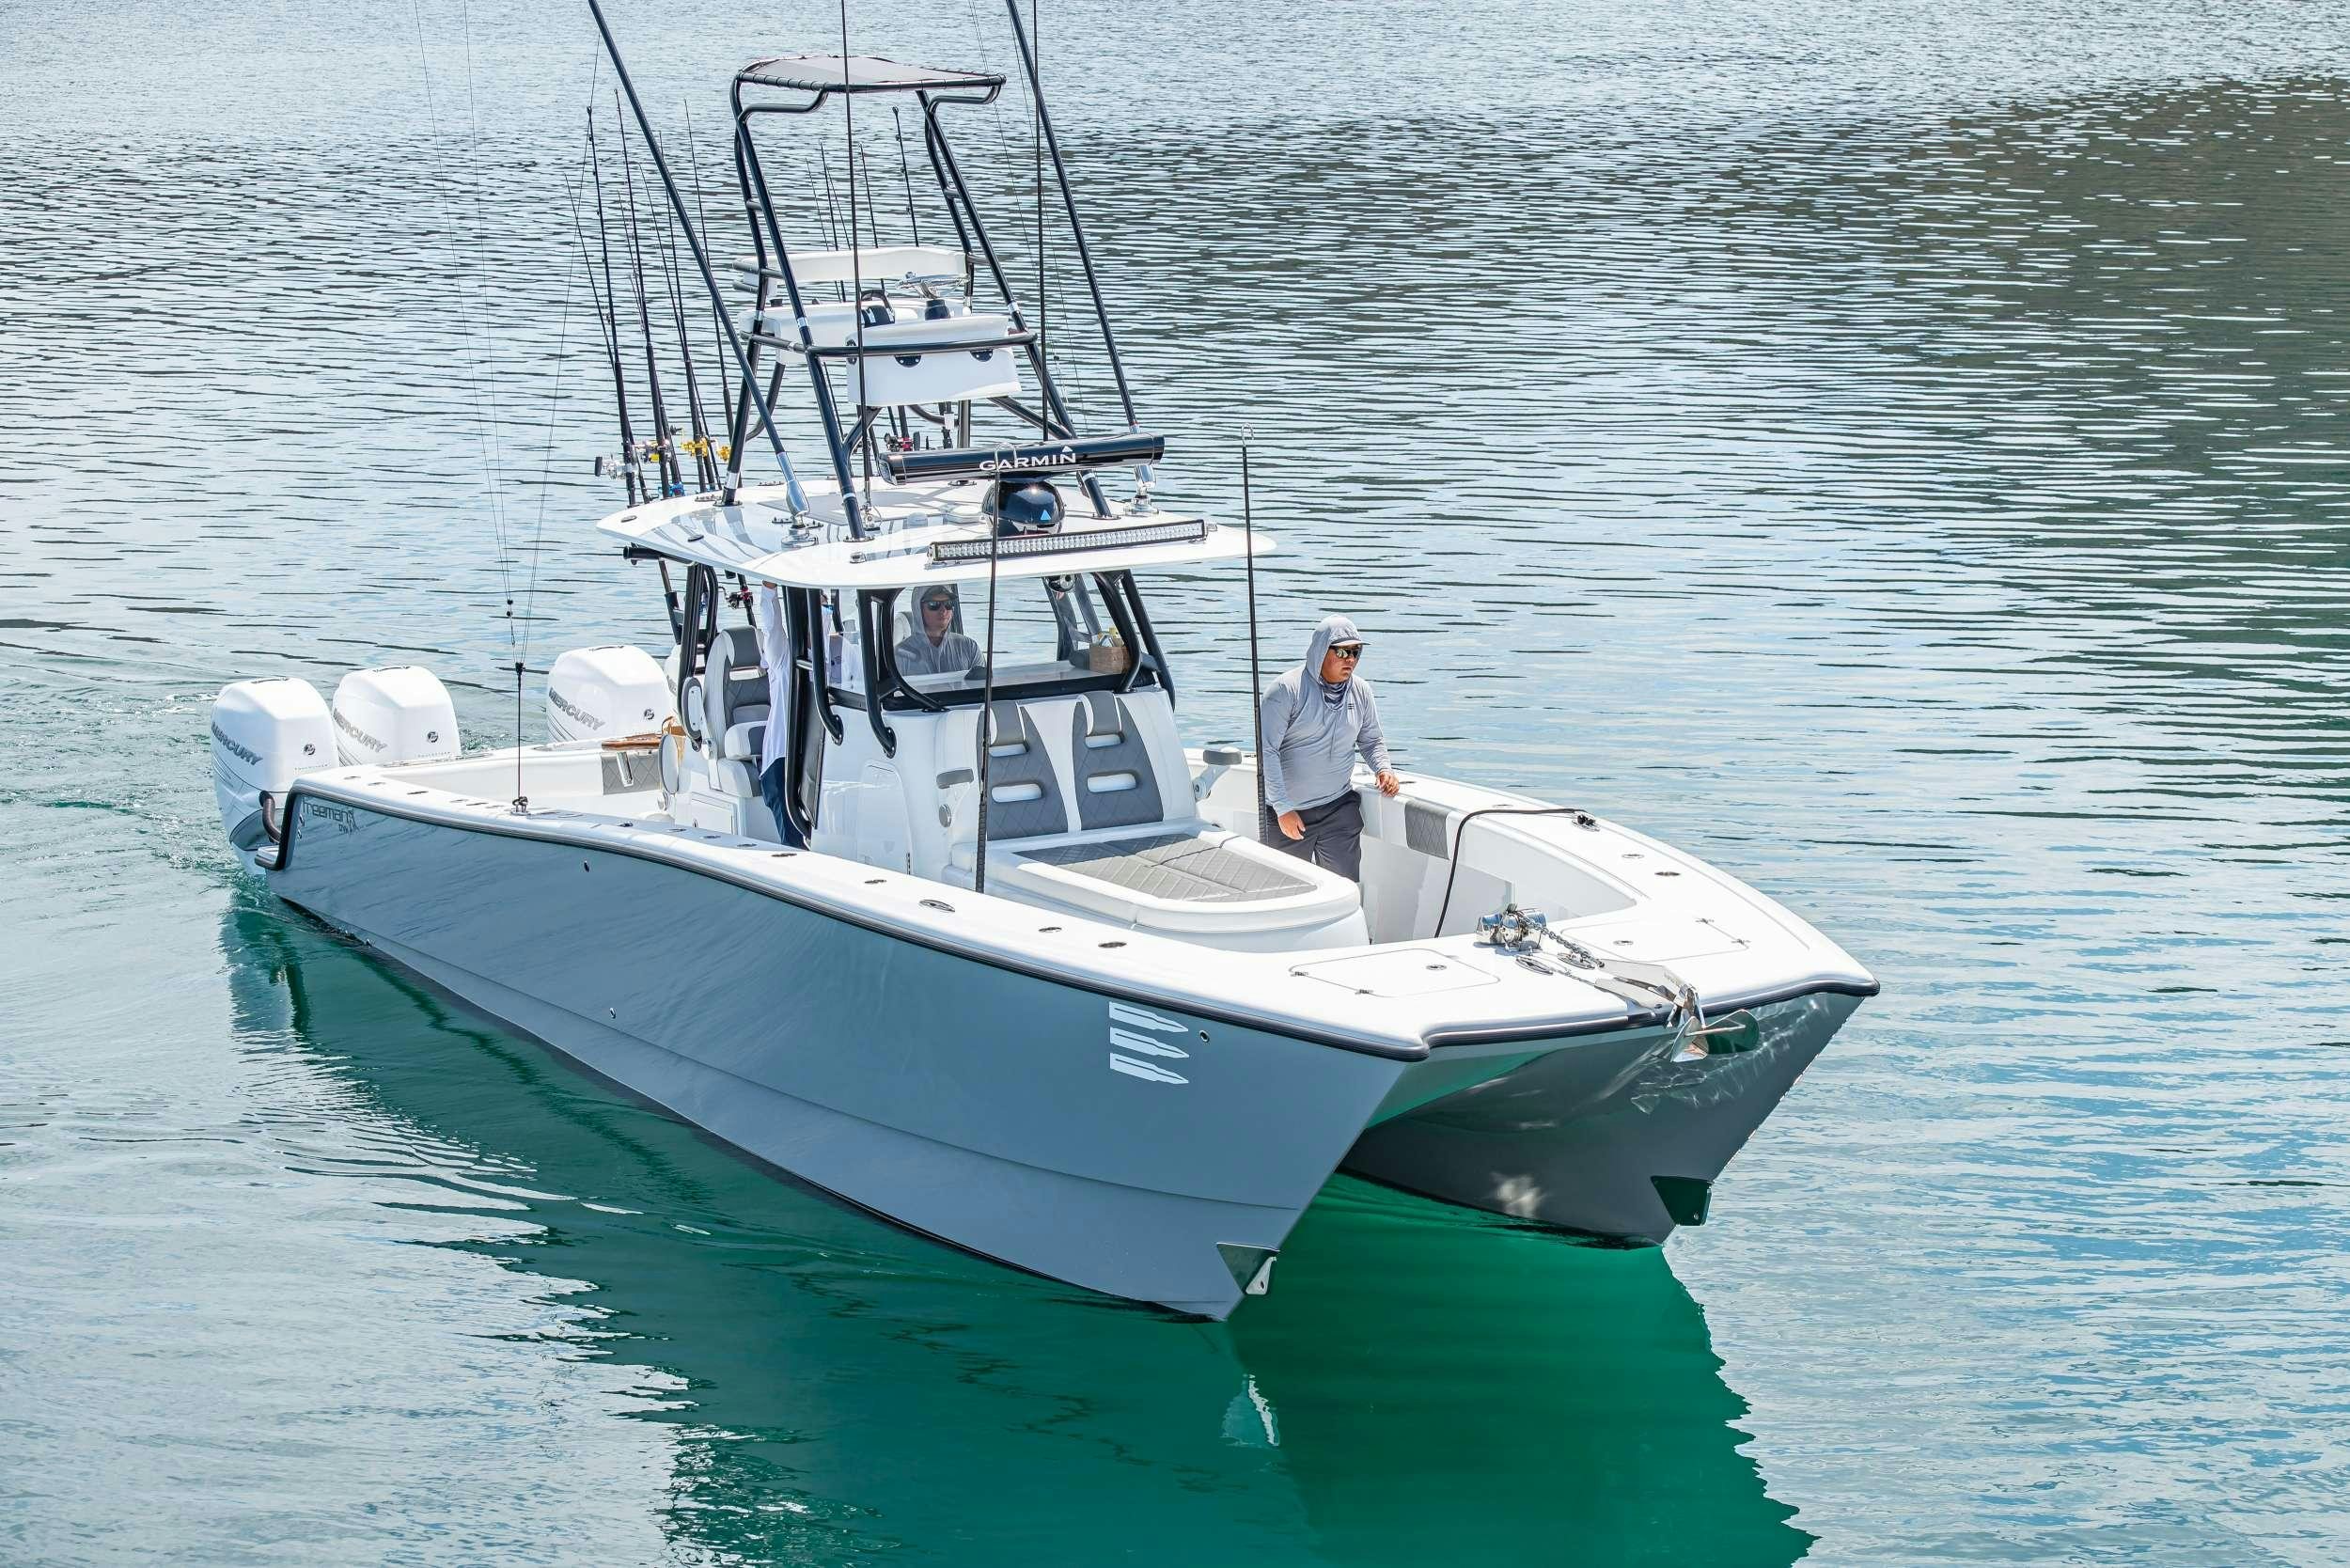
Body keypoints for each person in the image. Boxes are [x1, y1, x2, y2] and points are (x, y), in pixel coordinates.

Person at [1257, 615, 1401, 882]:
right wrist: (1283, 808)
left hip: (1338, 808)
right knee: (1283, 892)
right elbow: (1267, 752)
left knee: (1345, 890)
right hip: (1288, 813)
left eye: (1357, 652)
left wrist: (1383, 768)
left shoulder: (1361, 691)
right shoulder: (1285, 691)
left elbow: (1371, 740)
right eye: (1343, 651)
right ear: (1321, 651)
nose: (1351, 660)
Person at [752, 583, 807, 849]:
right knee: (795, 847)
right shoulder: (783, 658)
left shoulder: (832, 655)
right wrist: (769, 588)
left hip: (815, 759)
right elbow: (772, 626)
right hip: (781, 763)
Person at [895, 585, 984, 677]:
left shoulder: (970, 647)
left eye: (948, 604)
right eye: (934, 604)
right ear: (918, 609)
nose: (943, 610)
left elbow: (982, 686)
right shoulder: (899, 655)